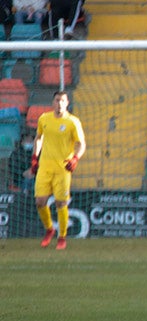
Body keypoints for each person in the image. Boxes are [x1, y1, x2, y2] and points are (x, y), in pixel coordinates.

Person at [30, 91, 86, 250]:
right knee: (40, 202)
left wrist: (75, 158)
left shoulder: (72, 122)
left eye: (62, 101)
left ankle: (62, 237)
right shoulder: (44, 119)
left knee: (61, 202)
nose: (60, 103)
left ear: (67, 103)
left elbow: (81, 143)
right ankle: (49, 229)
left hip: (62, 168)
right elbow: (38, 138)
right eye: (57, 100)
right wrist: (35, 156)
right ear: (52, 102)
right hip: (45, 167)